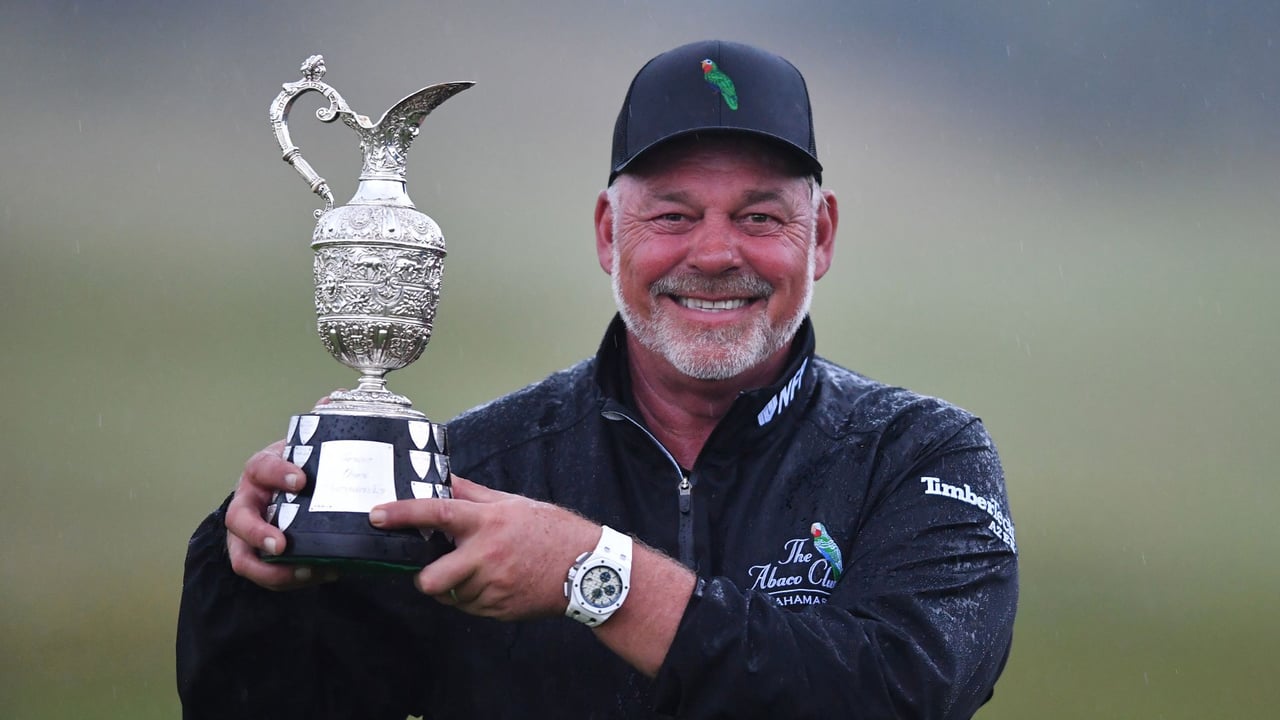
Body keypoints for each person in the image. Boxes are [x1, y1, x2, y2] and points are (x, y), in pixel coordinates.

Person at [177, 40, 1017, 719]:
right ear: (608, 234)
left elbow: (893, 695)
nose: (716, 253)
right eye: (673, 216)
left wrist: (590, 573)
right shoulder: (475, 471)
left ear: (820, 236)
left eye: (760, 217)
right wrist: (253, 562)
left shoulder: (919, 459)